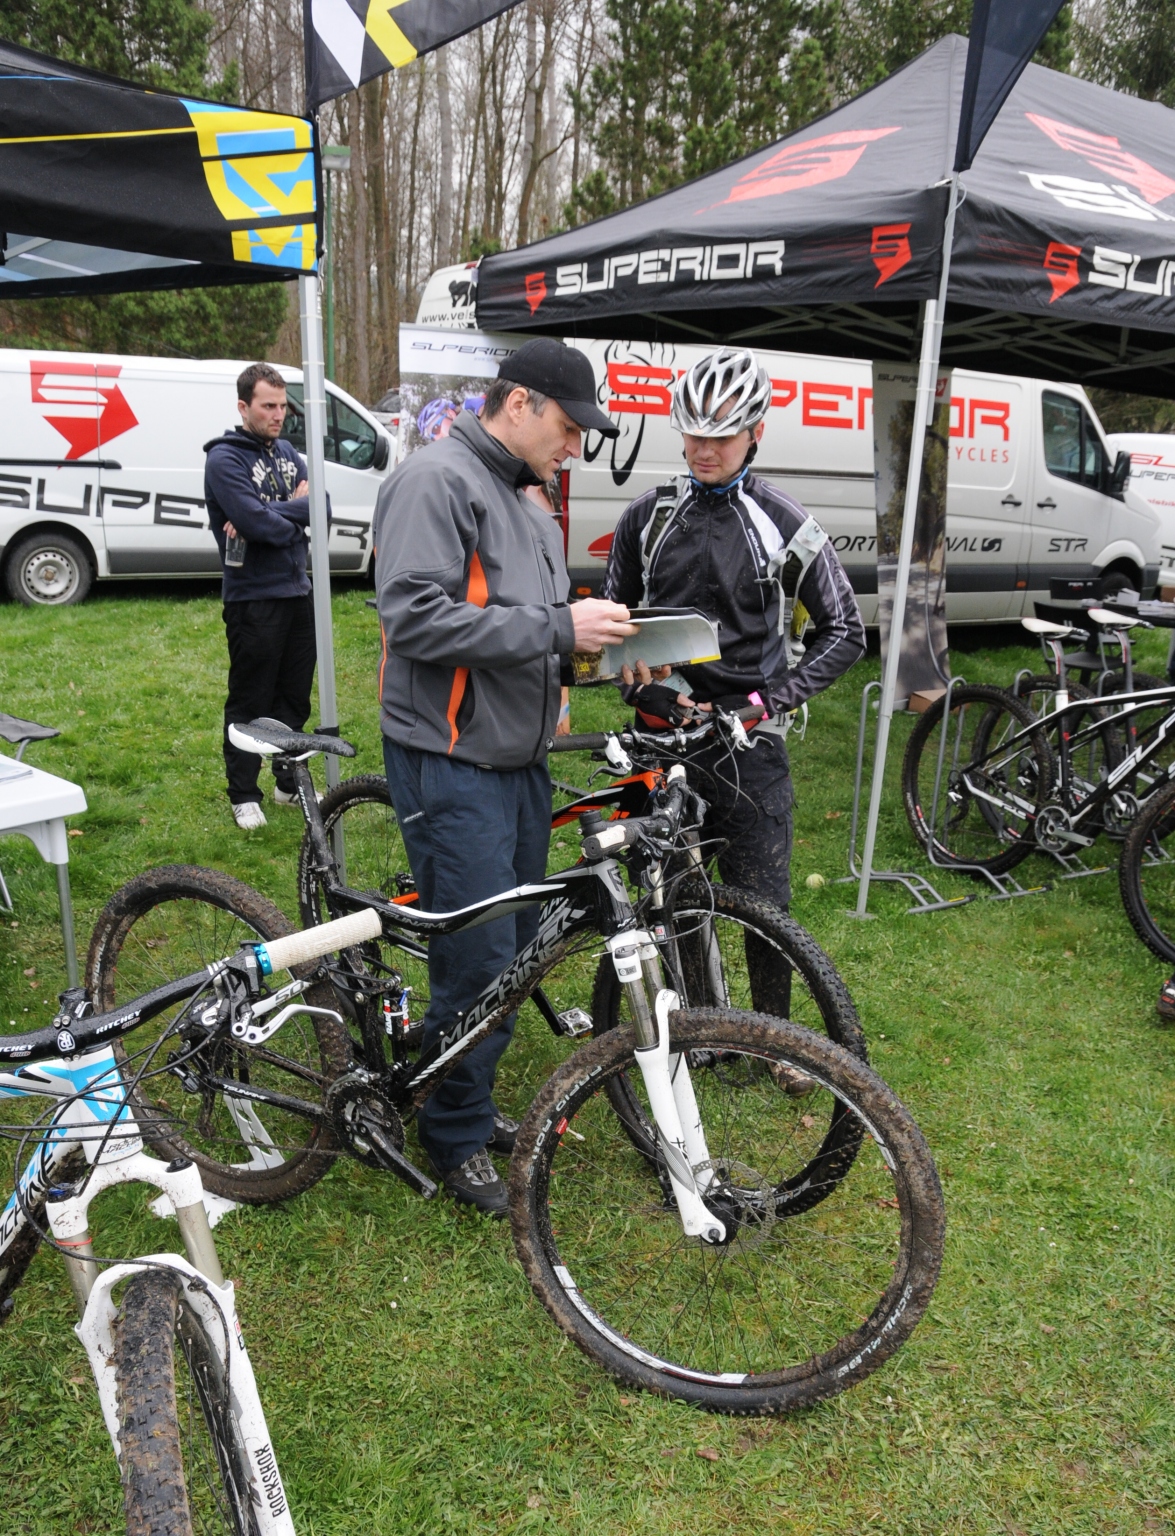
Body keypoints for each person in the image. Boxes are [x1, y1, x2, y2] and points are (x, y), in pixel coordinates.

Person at [373, 338, 635, 1215]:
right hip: (451, 760)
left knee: (516, 949)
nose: (576, 446)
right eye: (569, 427)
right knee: (481, 954)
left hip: (517, 759)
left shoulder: (526, 495)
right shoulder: (435, 480)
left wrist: (599, 656)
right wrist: (561, 630)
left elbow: (527, 625)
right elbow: (415, 619)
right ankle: (451, 1135)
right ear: (518, 403)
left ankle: (468, 1098)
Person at [602, 345, 866, 916]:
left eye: (722, 436)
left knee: (764, 915)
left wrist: (765, 702)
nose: (705, 450)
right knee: (665, 913)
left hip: (748, 745)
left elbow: (846, 631)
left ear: (756, 433)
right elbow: (608, 629)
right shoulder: (645, 516)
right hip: (660, 737)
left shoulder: (786, 523)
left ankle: (767, 984)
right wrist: (637, 690)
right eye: (694, 434)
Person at [205, 363, 327, 831]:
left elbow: (321, 508)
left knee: (293, 698)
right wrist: (292, 513)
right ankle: (243, 793)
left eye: (282, 406)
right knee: (250, 699)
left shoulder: (289, 452)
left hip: (298, 591)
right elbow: (254, 524)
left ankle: (287, 783)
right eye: (268, 406)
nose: (279, 415)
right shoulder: (224, 460)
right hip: (252, 599)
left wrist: (275, 512)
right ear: (244, 407)